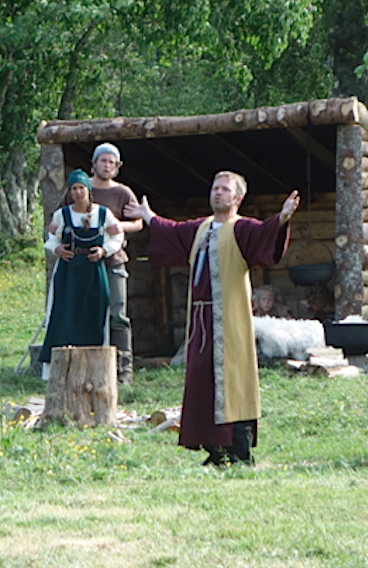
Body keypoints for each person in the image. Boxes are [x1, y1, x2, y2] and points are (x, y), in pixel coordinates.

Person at [125, 172, 299, 465]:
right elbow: (173, 231)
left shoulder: (241, 229)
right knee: (202, 382)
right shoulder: (201, 227)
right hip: (201, 321)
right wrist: (149, 216)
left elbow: (264, 235)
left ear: (237, 198)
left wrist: (281, 218)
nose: (218, 193)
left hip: (229, 320)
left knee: (233, 381)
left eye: (225, 189)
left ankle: (239, 452)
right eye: (215, 188)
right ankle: (215, 451)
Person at [59, 143, 142, 382]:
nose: (107, 165)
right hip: (81, 264)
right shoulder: (79, 188)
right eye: (103, 161)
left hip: (113, 261)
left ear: (117, 167)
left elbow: (138, 222)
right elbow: (59, 219)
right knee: (84, 312)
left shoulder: (123, 193)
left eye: (111, 162)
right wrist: (57, 247)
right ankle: (83, 370)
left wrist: (118, 225)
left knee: (118, 314)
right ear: (94, 164)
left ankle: (124, 371)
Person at [39, 169, 123, 379]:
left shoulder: (103, 214)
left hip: (94, 271)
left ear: (88, 190)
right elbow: (51, 237)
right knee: (63, 313)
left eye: (81, 188)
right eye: (74, 188)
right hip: (68, 272)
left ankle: (95, 370)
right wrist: (57, 249)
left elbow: (117, 236)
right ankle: (59, 370)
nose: (78, 192)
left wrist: (104, 251)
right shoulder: (62, 215)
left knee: (96, 312)